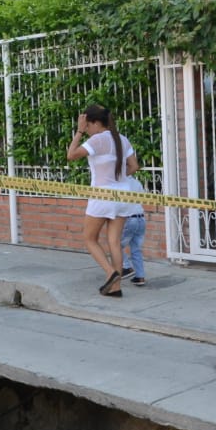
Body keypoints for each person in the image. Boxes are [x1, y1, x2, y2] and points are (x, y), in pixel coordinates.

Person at [66, 104, 139, 297]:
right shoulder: (122, 139)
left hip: (102, 197)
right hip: (123, 195)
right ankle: (115, 288)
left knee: (89, 238)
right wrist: (118, 179)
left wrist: (79, 131)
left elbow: (71, 155)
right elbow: (134, 166)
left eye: (88, 125)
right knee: (114, 241)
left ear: (95, 123)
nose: (87, 129)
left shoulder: (97, 140)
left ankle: (110, 272)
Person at [119, 175, 147, 286]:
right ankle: (140, 277)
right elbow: (142, 198)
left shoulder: (120, 183)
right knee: (136, 249)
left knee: (115, 244)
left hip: (130, 219)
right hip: (141, 218)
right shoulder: (136, 182)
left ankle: (126, 267)